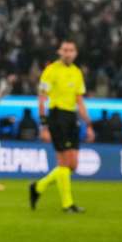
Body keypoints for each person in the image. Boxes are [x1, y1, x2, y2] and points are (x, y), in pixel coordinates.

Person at [29, 40, 93, 214]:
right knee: (63, 163)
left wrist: (89, 124)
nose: (68, 53)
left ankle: (38, 186)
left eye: (71, 50)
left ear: (75, 53)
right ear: (59, 52)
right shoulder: (51, 71)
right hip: (57, 116)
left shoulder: (76, 72)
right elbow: (42, 98)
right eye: (65, 50)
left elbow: (80, 101)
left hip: (72, 118)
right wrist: (44, 125)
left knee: (73, 165)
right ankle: (68, 204)